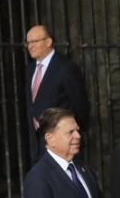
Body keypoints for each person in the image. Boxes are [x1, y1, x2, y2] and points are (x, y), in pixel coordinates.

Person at [24, 24, 89, 163]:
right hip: (38, 144)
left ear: (48, 42)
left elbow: (80, 105)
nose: (30, 46)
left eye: (35, 42)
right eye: (28, 43)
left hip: (62, 142)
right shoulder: (30, 70)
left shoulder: (66, 68)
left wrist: (71, 132)